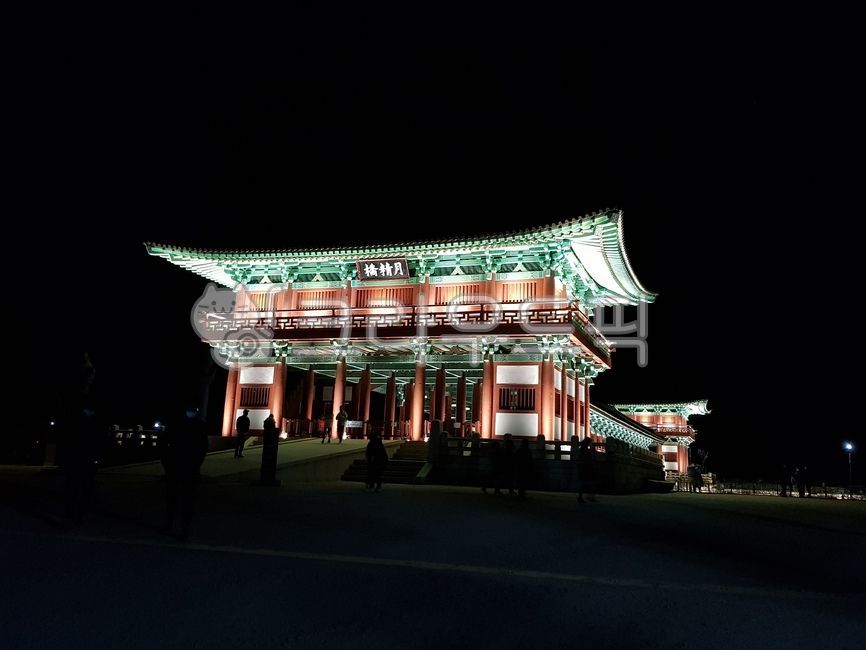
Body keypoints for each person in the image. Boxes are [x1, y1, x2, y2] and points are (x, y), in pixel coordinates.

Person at [160, 406, 208, 541]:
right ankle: (181, 528)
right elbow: (203, 447)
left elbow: (164, 444)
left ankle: (172, 525)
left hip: (177, 466)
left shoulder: (176, 423)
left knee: (175, 498)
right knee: (183, 500)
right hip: (185, 466)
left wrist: (167, 463)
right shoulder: (199, 425)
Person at [64, 402, 103, 523]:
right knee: (84, 487)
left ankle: (73, 512)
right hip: (87, 458)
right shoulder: (96, 422)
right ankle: (79, 513)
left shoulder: (77, 420)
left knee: (76, 487)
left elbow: (70, 439)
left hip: (80, 458)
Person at [577, 436, 596, 503]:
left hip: (583, 467)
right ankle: (589, 497)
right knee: (589, 482)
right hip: (587, 467)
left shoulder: (581, 449)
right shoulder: (586, 451)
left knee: (584, 483)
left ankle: (582, 497)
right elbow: (591, 457)